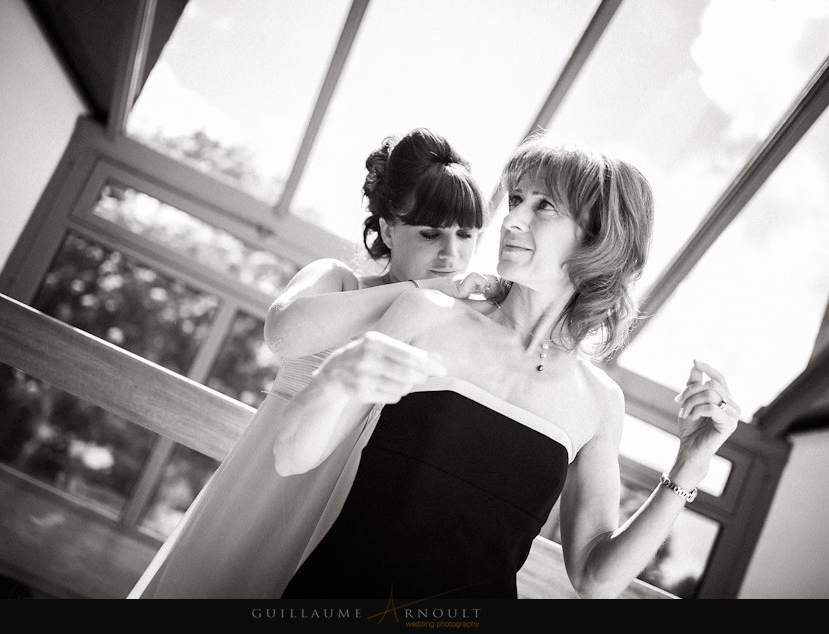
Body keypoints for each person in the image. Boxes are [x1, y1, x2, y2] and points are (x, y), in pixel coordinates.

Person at [275, 133, 740, 600]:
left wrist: (690, 466)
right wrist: (332, 380)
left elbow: (595, 578)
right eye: (516, 200)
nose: (511, 219)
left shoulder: (599, 403)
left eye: (543, 206)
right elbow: (292, 456)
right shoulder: (427, 314)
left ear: (597, 236)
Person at [128, 128, 495, 599]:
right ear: (387, 230)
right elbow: (283, 333)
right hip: (266, 489)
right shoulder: (337, 279)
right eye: (430, 234)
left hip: (354, 521)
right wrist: (422, 291)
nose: (452, 254)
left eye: (466, 235)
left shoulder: (452, 333)